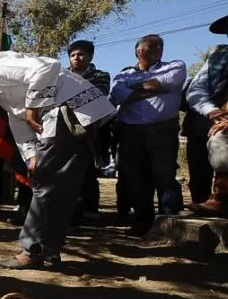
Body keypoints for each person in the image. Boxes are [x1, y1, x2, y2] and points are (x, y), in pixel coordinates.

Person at [0, 52, 115, 269]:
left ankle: (32, 250)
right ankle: (49, 250)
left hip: (68, 114)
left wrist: (32, 106)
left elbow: (48, 66)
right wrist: (32, 156)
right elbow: (18, 122)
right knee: (60, 190)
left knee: (45, 187)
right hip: (74, 118)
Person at [109, 34, 186, 236]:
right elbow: (116, 96)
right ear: (138, 51)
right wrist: (151, 88)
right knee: (136, 179)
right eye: (152, 46)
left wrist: (132, 93)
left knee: (164, 175)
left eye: (160, 46)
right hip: (130, 132)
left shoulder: (175, 66)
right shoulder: (123, 74)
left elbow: (163, 83)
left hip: (162, 130)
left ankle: (171, 225)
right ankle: (142, 223)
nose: (158, 48)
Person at [185, 14, 228, 217]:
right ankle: (207, 205)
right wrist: (214, 111)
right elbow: (196, 90)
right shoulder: (219, 56)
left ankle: (221, 199)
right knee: (199, 164)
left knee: (220, 139)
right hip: (208, 118)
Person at [67, 40, 112, 219]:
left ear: (90, 56)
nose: (76, 58)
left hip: (92, 130)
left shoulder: (101, 75)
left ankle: (90, 209)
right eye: (73, 55)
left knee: (87, 171)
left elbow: (97, 96)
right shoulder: (60, 75)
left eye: (81, 54)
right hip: (65, 129)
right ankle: (70, 209)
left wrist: (68, 98)